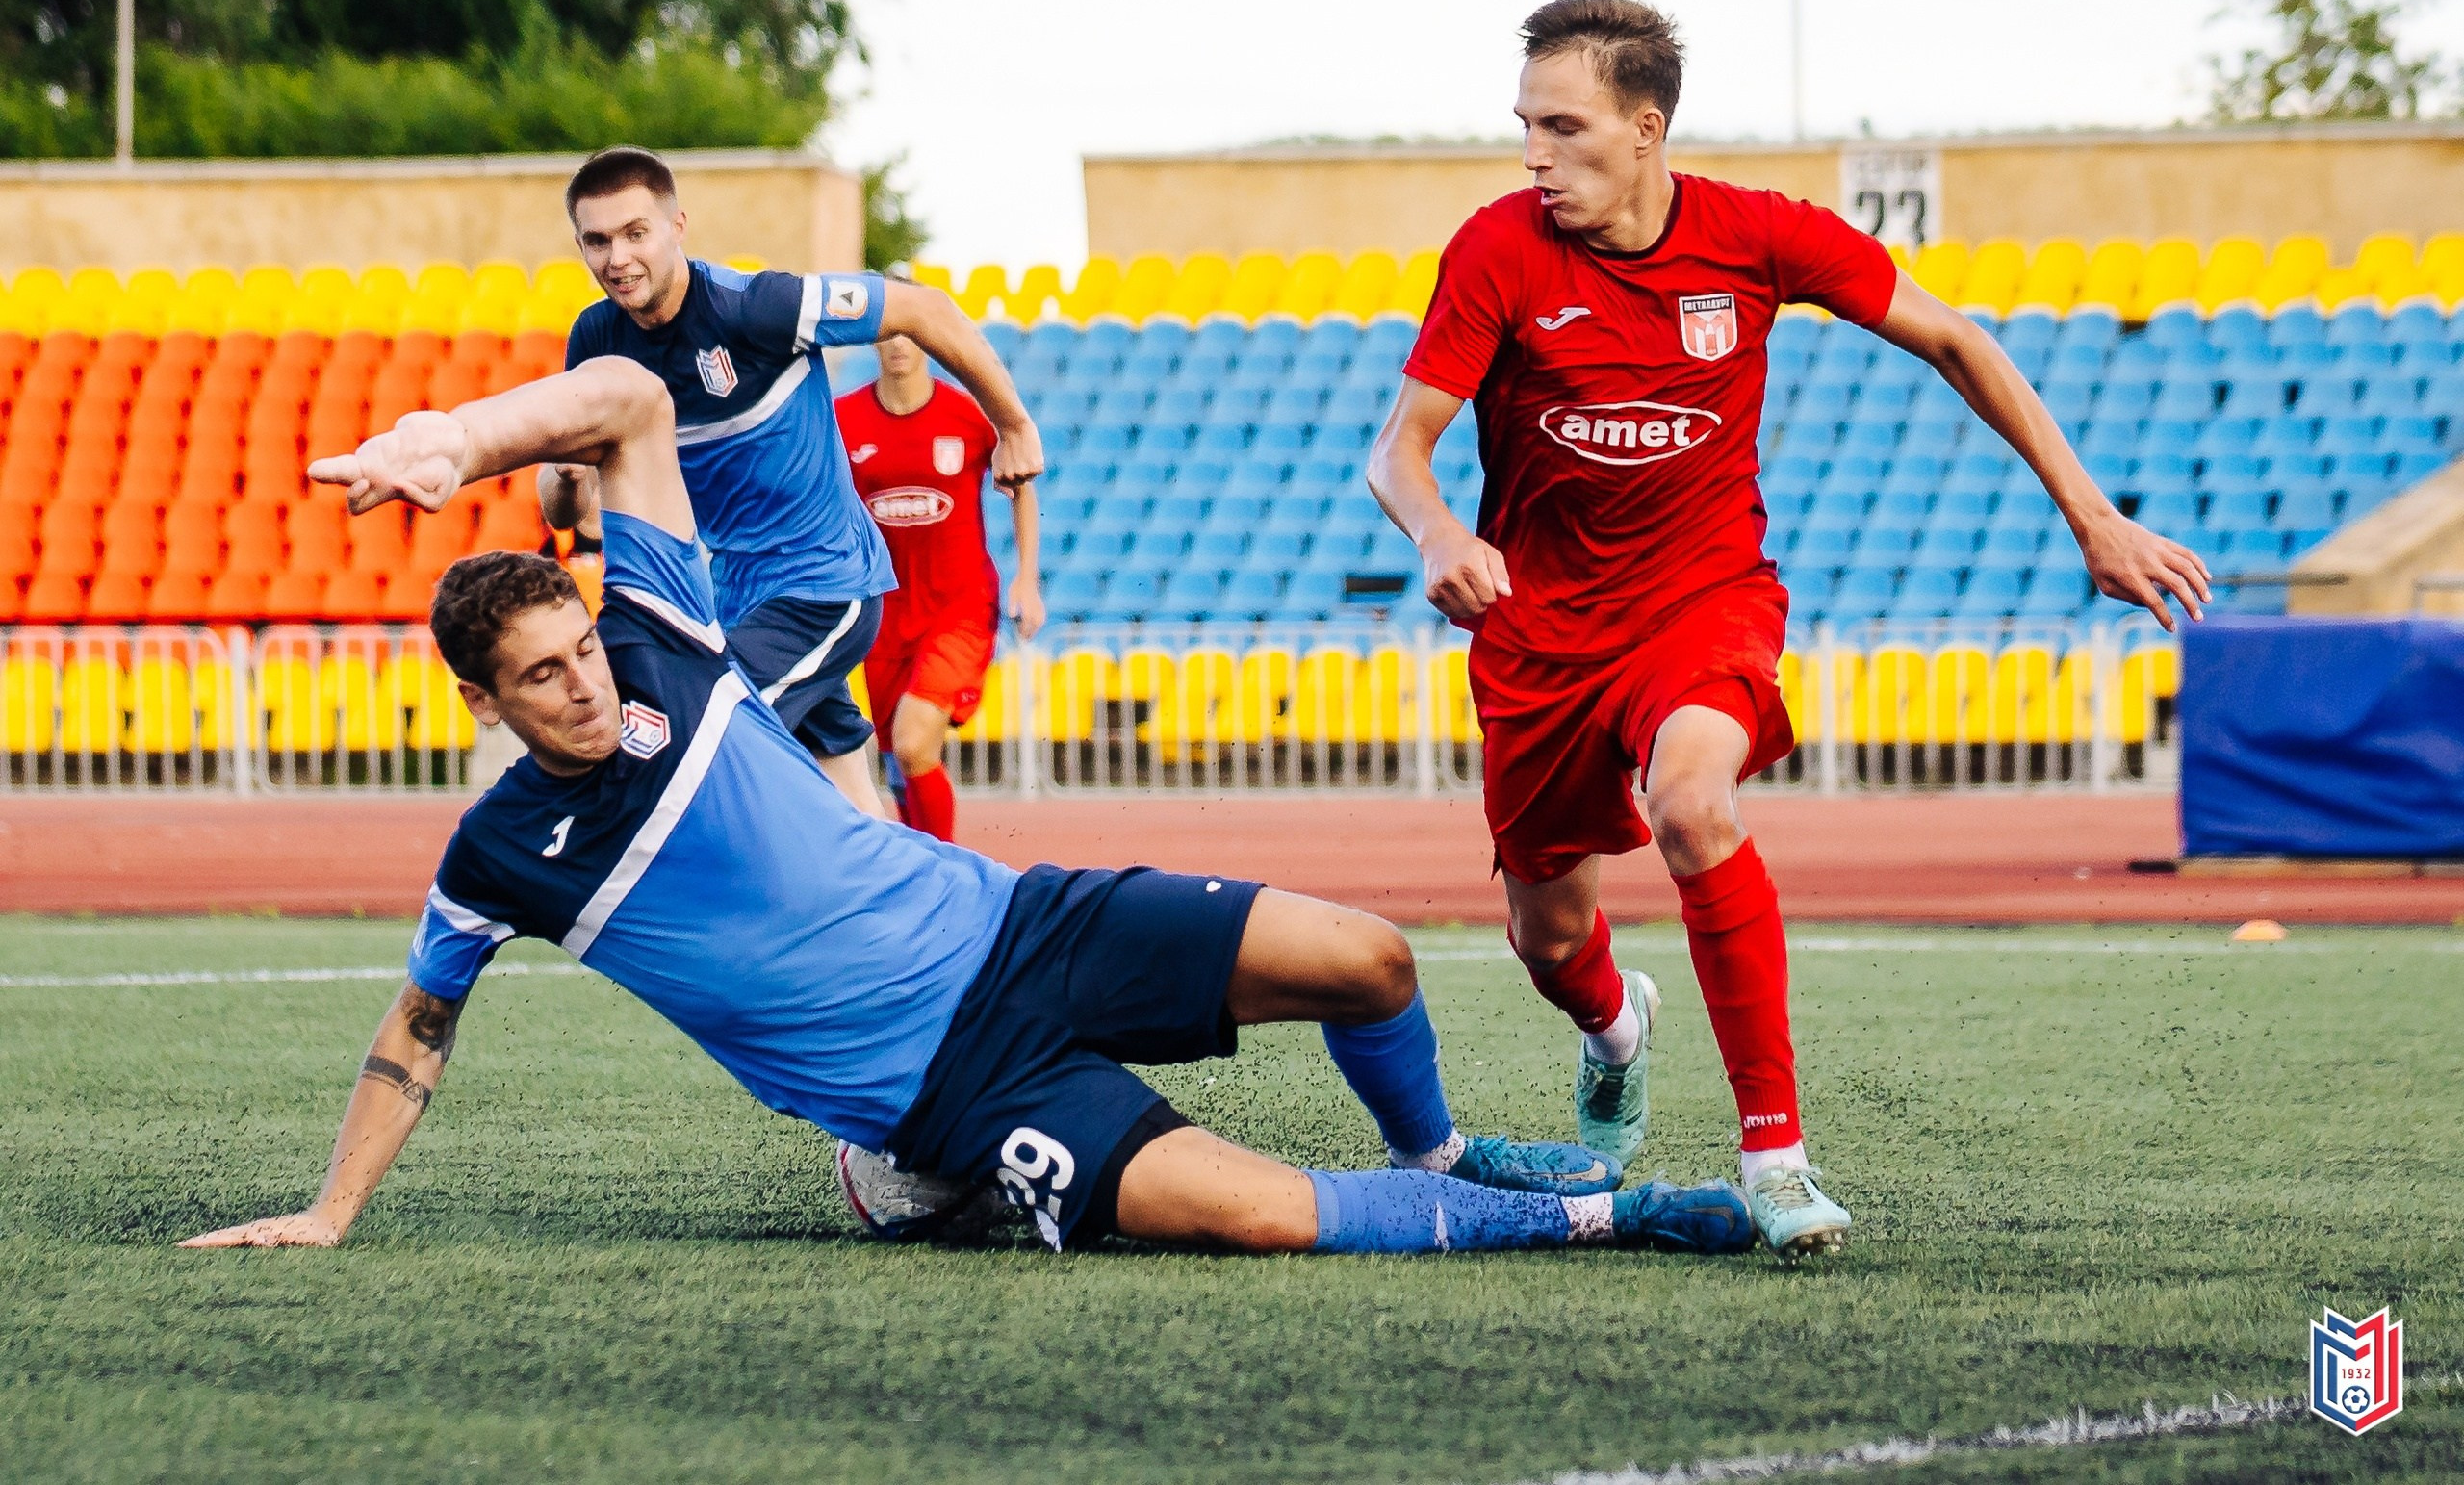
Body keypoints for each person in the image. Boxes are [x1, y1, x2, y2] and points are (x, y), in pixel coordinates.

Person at [181, 358, 1756, 1260]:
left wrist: (462, 440)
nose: (583, 684)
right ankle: (1608, 1219)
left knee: (1374, 959)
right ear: (488, 705)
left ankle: (1454, 1151)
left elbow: (628, 402)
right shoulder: (499, 854)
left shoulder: (655, 631)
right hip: (949, 1084)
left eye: (579, 646)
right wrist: (328, 1212)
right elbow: (416, 1029)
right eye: (542, 676)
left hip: (1022, 920)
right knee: (1266, 1216)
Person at [1366, 0, 2212, 1260]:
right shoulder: (1497, 248)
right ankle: (1617, 1027)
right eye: (1524, 126)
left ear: (1646, 128)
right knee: (1548, 942)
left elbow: (1953, 337)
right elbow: (1400, 453)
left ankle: (1775, 1157)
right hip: (1539, 634)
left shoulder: (1757, 235)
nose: (1535, 155)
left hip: (1701, 603)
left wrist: (2092, 516)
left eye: (1563, 125)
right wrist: (1439, 532)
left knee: (1696, 804)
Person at [545, 145, 1044, 822]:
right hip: (735, 597)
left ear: (676, 227)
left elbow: (924, 309)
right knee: (856, 804)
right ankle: (913, 906)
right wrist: (571, 479)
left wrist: (1012, 422)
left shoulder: (758, 307)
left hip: (823, 585)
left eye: (636, 232)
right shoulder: (597, 340)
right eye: (598, 241)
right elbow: (566, 504)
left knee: (704, 737)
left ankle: (730, 919)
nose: (619, 257)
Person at [836, 335, 1044, 840]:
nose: (899, 345)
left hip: (960, 605)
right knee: (897, 759)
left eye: (910, 332)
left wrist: (1028, 578)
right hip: (883, 613)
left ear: (929, 340)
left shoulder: (966, 415)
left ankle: (947, 868)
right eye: (886, 334)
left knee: (911, 744)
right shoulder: (842, 419)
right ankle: (925, 867)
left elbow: (1021, 483)